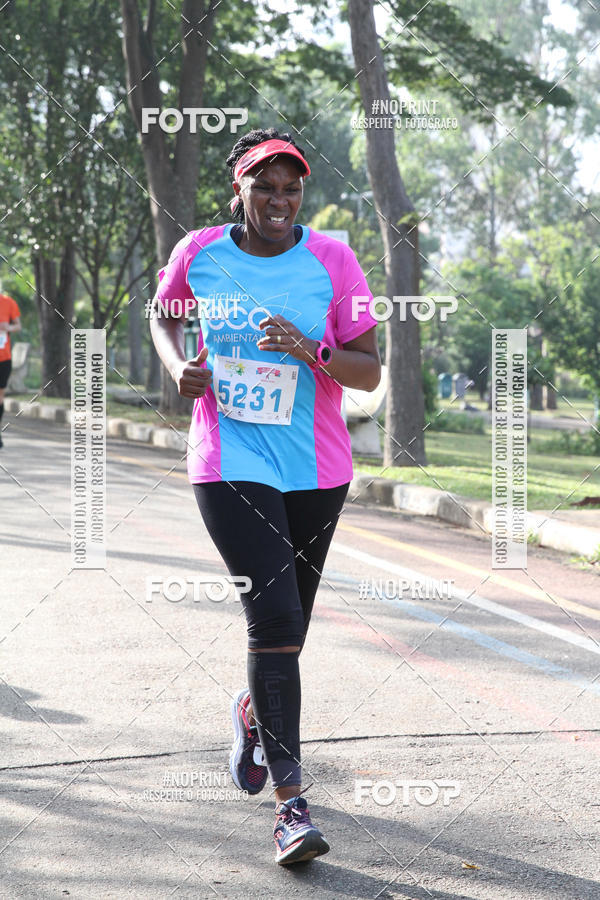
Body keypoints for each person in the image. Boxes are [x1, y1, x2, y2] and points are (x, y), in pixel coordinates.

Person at [150, 127, 380, 865]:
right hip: (229, 458)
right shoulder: (200, 252)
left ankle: (254, 711)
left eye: (292, 188)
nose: (279, 200)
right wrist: (177, 366)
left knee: (290, 631)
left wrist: (312, 350)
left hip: (317, 468)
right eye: (265, 186)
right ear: (238, 190)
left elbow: (368, 370)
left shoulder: (334, 260)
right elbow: (163, 313)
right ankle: (291, 808)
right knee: (273, 617)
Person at [0, 283, 21, 449]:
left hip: (3, 358)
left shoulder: (8, 303)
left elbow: (18, 326)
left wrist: (8, 327)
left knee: (0, 396)